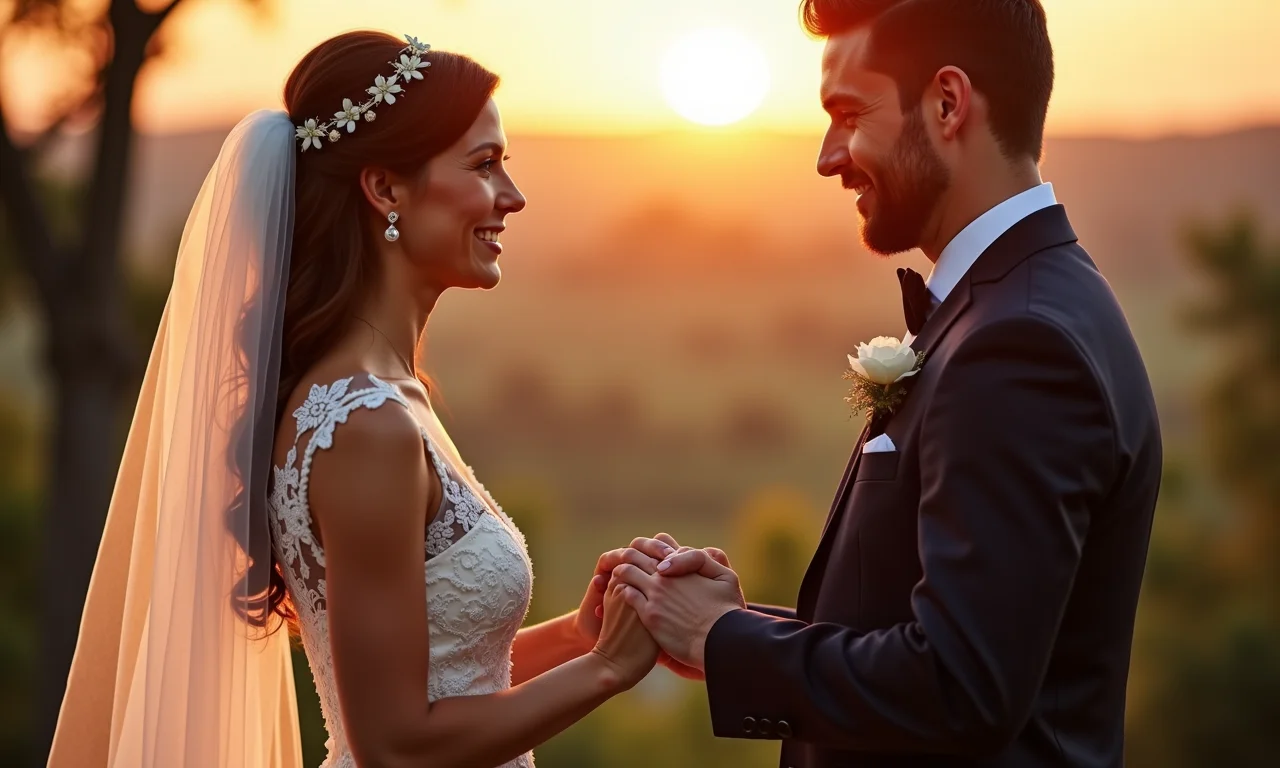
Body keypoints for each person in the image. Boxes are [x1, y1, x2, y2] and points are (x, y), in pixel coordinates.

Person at [48, 30, 661, 768]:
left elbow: (443, 680)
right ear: (385, 189)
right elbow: (396, 746)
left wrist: (580, 637)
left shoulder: (390, 396)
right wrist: (606, 673)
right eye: (484, 164)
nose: (513, 196)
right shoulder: (366, 424)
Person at [611, 2, 1163, 767]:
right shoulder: (1020, 302)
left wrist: (723, 639)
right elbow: (936, 626)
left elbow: (958, 685)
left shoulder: (1019, 344)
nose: (826, 156)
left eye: (847, 114)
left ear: (946, 103)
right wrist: (734, 627)